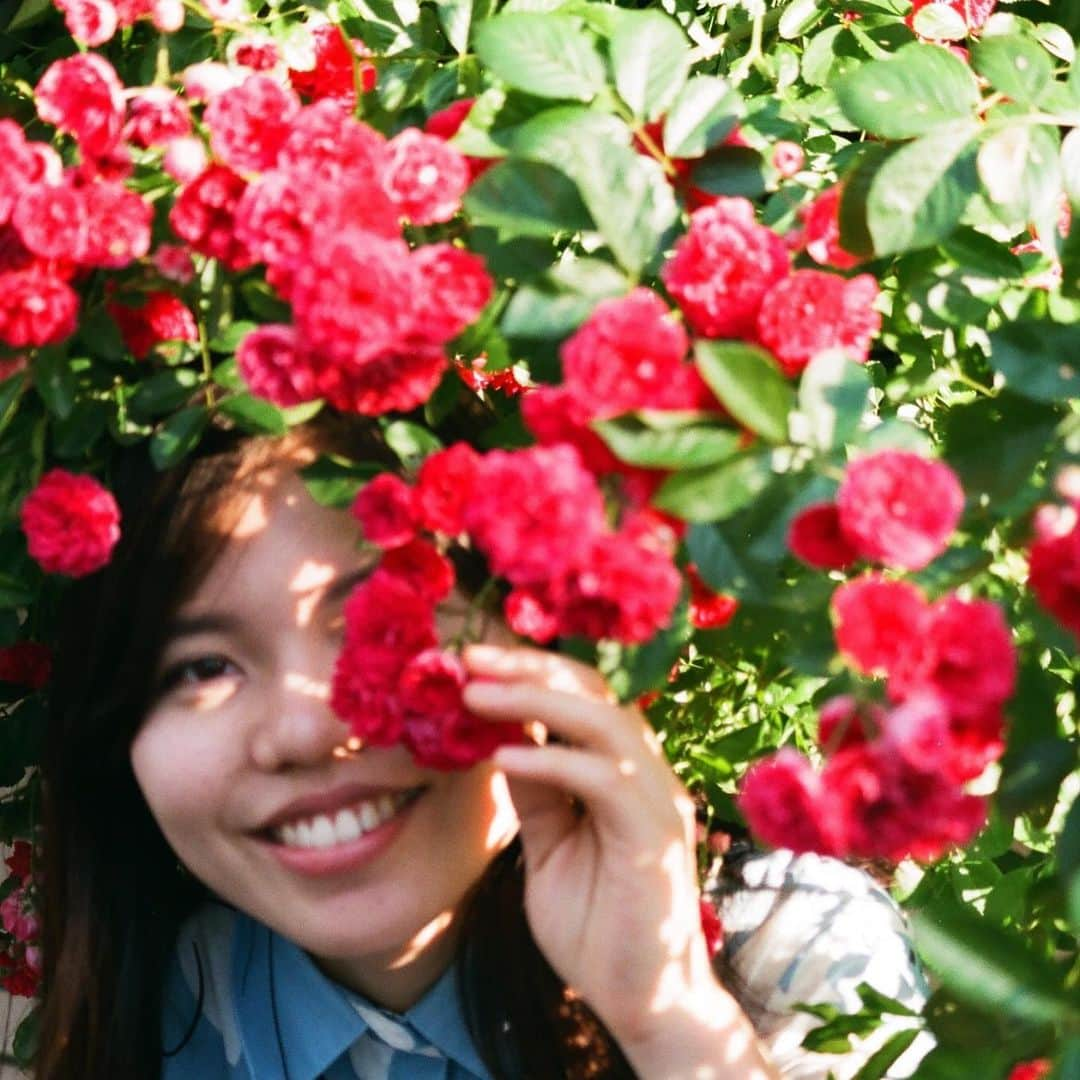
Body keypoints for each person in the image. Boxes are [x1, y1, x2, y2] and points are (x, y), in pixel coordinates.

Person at [36, 416, 933, 1079]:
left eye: (380, 622)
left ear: (540, 632)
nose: (308, 727)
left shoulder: (799, 955)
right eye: (200, 666)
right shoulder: (140, 1013)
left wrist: (668, 1019)